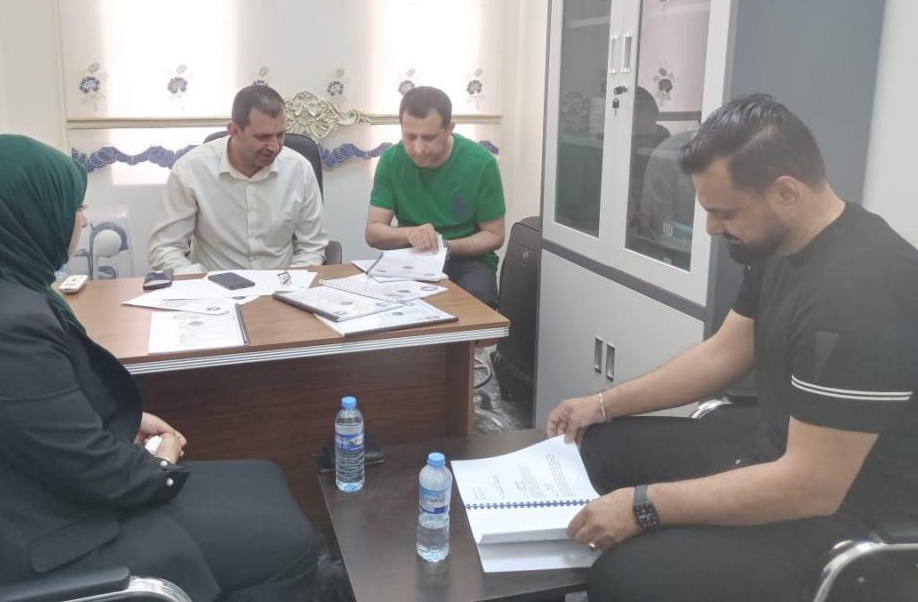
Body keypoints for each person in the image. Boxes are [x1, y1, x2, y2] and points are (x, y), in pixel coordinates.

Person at [0, 135, 317, 601]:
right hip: (47, 546)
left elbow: (27, 420)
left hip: (31, 499)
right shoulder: (0, 328)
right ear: (24, 214)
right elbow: (100, 472)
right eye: (75, 207)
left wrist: (124, 424)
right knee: (291, 540)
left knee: (262, 475)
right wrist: (162, 462)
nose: (83, 219)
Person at [546, 95, 918, 601]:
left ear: (786, 192)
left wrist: (645, 506)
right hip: (772, 452)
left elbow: (810, 486)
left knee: (625, 578)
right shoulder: (781, 244)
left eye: (724, 213)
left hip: (844, 510)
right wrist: (601, 403)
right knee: (595, 447)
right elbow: (721, 354)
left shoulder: (861, 295)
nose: (711, 228)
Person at [148, 84, 327, 273]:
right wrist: (199, 281)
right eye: (263, 137)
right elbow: (165, 247)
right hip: (214, 285)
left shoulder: (299, 169)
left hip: (282, 283)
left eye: (281, 135)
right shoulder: (191, 169)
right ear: (234, 131)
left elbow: (312, 246)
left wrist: (293, 282)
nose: (274, 147)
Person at [365, 85, 506, 307]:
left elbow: (494, 235)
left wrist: (445, 245)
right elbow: (373, 232)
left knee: (475, 307)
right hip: (411, 257)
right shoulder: (391, 160)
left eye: (428, 138)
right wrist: (410, 233)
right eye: (410, 136)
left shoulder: (481, 164)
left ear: (449, 128)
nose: (418, 148)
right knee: (383, 307)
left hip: (468, 261)